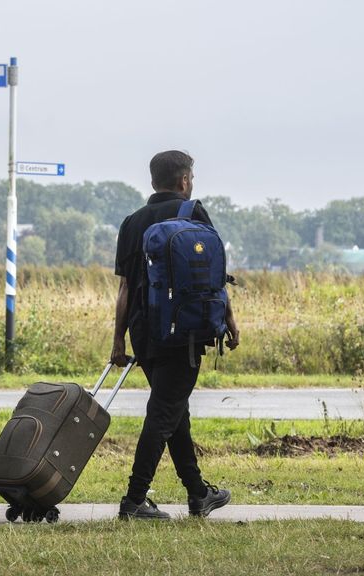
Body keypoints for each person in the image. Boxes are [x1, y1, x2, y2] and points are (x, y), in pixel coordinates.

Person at [110, 150, 240, 520]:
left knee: (173, 409)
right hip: (184, 332)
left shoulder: (132, 222)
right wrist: (230, 319)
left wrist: (118, 340)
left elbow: (124, 288)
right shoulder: (192, 213)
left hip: (143, 331)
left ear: (154, 181)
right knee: (164, 412)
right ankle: (134, 500)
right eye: (191, 177)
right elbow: (211, 278)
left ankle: (198, 494)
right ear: (184, 180)